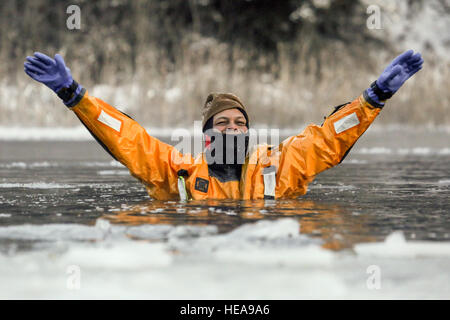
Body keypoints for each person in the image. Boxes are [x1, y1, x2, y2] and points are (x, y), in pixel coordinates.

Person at [23, 50, 423, 200]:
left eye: (239, 123)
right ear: (207, 135)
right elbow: (128, 138)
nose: (232, 128)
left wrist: (372, 98)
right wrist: (75, 95)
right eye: (223, 123)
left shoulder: (280, 168)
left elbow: (327, 140)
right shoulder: (175, 171)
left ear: (248, 132)